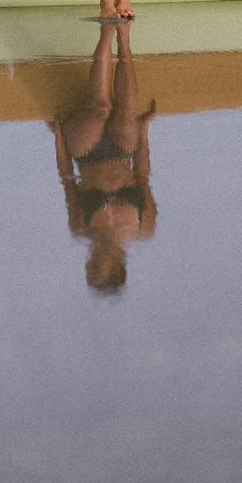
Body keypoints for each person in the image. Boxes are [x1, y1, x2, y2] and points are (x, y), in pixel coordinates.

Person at [52, 20, 157, 293]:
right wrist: (144, 130)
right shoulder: (143, 226)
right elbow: (143, 178)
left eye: (89, 270)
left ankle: (105, 34)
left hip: (86, 153)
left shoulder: (80, 227)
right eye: (96, 269)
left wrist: (59, 138)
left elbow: (67, 180)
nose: (89, 265)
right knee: (126, 114)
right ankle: (122, 39)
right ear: (116, 266)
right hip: (123, 152)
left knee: (101, 107)